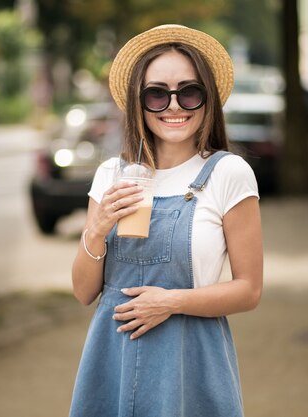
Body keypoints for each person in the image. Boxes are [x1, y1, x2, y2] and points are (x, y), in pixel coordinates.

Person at [69, 24, 263, 417]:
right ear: (138, 102)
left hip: (191, 363)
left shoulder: (229, 173)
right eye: (157, 94)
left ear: (207, 100)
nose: (174, 106)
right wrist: (98, 227)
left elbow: (249, 290)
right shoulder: (112, 174)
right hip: (112, 359)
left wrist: (170, 303)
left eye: (189, 92)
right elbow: (83, 292)